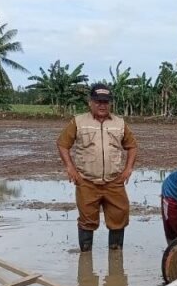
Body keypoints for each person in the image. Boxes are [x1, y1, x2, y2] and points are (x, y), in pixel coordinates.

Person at [57, 83, 138, 252]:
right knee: (87, 220)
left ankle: (116, 256)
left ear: (111, 103)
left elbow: (132, 146)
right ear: (90, 103)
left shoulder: (119, 123)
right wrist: (70, 168)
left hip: (114, 182)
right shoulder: (79, 122)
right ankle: (86, 256)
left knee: (119, 216)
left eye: (106, 102)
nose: (102, 105)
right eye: (98, 101)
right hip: (86, 181)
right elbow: (63, 144)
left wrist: (128, 169)